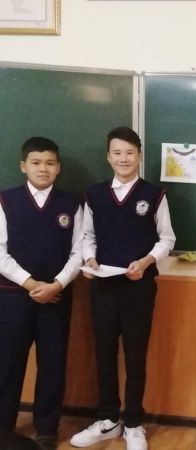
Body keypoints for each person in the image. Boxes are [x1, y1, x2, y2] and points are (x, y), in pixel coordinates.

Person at [70, 127, 175, 450]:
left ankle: (132, 423)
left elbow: (167, 238)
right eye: (117, 153)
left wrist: (145, 262)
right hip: (103, 286)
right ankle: (108, 420)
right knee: (103, 353)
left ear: (139, 156)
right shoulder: (94, 194)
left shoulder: (154, 194)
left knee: (135, 354)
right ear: (108, 157)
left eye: (129, 152)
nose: (123, 158)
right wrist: (89, 259)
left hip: (138, 287)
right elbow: (87, 236)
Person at [0, 137, 83, 450]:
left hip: (56, 296)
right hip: (13, 297)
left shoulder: (71, 204)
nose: (43, 169)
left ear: (58, 168)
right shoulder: (6, 200)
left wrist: (57, 284)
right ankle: (3, 427)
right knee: (8, 362)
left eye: (50, 163)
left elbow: (79, 251)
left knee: (52, 362)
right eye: (36, 162)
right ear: (24, 166)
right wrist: (31, 284)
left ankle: (46, 428)